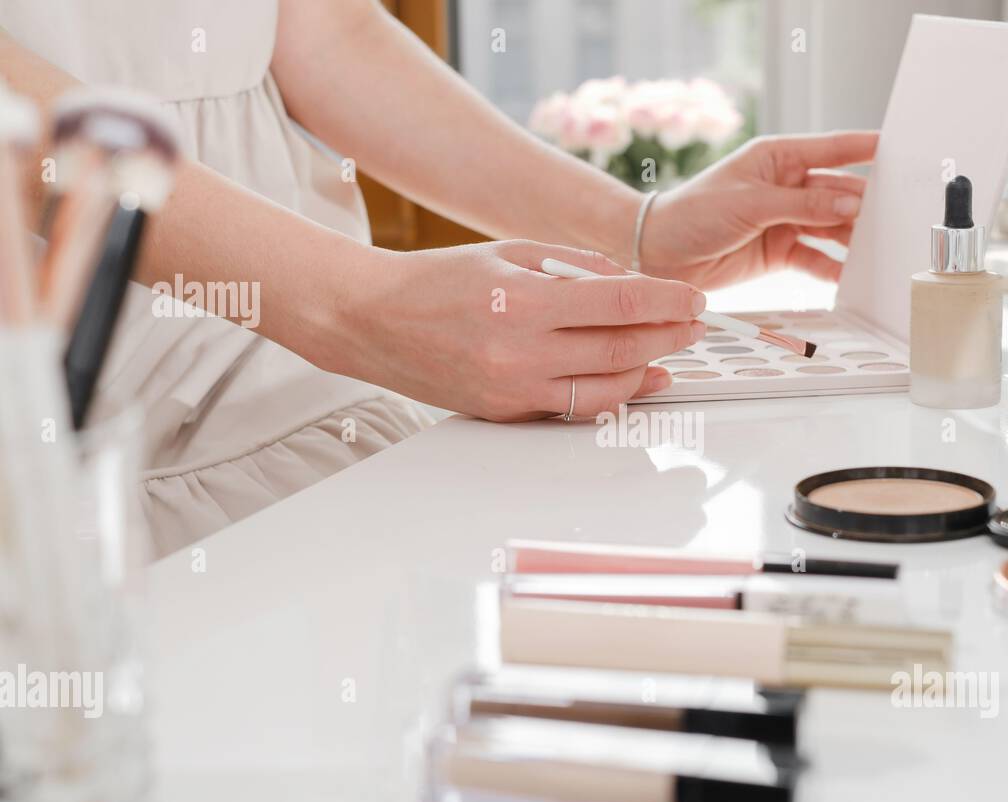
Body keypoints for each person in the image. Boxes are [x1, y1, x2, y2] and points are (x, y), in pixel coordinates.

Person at [0, 0, 875, 556]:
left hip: (314, 396)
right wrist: (357, 307)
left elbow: (320, 27)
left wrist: (636, 229)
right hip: (62, 420)